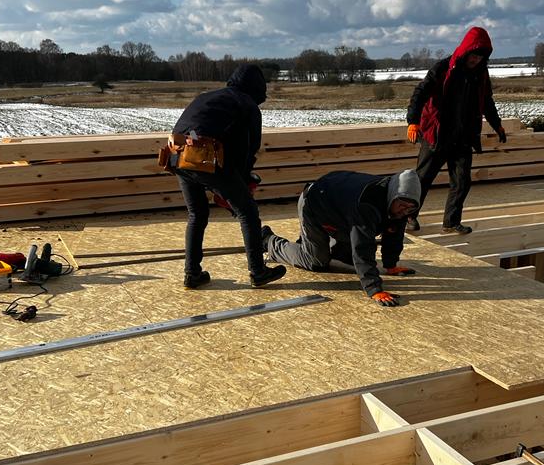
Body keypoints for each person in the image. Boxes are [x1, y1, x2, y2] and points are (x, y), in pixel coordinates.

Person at [168, 64, 286, 289]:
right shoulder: (247, 105)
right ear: (257, 88)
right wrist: (242, 182)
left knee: (197, 214)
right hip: (205, 157)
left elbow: (201, 132)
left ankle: (192, 273)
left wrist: (227, 184)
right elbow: (248, 149)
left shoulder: (209, 97)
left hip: (178, 157)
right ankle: (258, 271)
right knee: (248, 212)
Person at [262, 169, 420, 307]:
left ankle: (315, 244)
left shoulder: (399, 202)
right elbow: (362, 247)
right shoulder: (368, 203)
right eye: (401, 205)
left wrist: (390, 265)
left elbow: (394, 232)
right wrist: (374, 289)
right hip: (315, 202)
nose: (404, 210)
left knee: (348, 259)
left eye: (409, 208)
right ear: (393, 197)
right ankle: (268, 241)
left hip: (341, 209)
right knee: (315, 261)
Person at [405, 26, 507, 234]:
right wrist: (413, 121)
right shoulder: (443, 68)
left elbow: (487, 101)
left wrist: (497, 124)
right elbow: (420, 93)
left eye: (480, 57)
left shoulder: (481, 74)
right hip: (438, 134)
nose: (476, 60)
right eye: (474, 55)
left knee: (461, 182)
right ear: (466, 50)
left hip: (463, 136)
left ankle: (451, 223)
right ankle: (409, 216)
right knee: (423, 179)